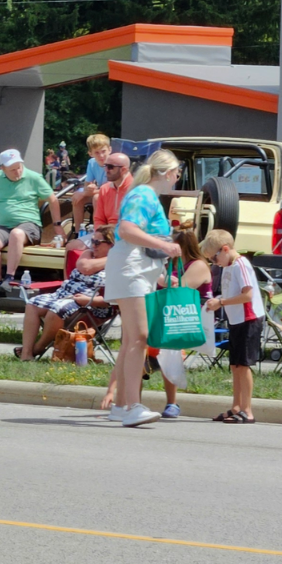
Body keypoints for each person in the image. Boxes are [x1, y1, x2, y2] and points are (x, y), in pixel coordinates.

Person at [107, 148, 183, 427]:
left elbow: (139, 241)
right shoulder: (143, 195)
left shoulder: (145, 195)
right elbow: (127, 230)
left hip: (136, 269)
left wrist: (162, 276)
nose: (177, 177)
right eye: (177, 172)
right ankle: (131, 406)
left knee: (131, 339)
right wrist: (165, 245)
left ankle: (120, 406)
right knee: (139, 337)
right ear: (165, 172)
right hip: (131, 268)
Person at [144, 226, 212, 420]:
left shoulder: (197, 265)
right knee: (140, 339)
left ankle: (171, 402)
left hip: (193, 317)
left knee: (170, 347)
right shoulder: (171, 265)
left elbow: (179, 289)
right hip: (172, 316)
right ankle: (137, 391)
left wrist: (161, 277)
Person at [17, 230, 110, 360]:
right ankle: (26, 353)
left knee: (55, 310)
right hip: (63, 295)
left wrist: (88, 300)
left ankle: (37, 349)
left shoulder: (117, 266)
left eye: (97, 242)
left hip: (89, 305)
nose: (93, 245)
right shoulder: (89, 255)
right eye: (92, 241)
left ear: (112, 245)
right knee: (32, 304)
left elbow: (114, 299)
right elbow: (85, 267)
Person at [0, 148, 60, 295]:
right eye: (12, 170)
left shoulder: (34, 178)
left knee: (16, 234)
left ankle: (9, 278)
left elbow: (53, 200)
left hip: (30, 226)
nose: (17, 172)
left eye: (19, 167)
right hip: (3, 226)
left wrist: (57, 226)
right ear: (2, 169)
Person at [205, 230, 266, 419]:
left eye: (214, 259)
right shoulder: (228, 266)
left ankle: (247, 410)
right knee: (235, 365)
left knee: (243, 365)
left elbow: (247, 294)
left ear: (225, 249)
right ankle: (236, 406)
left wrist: (221, 303)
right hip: (236, 320)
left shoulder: (241, 264)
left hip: (249, 319)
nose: (215, 264)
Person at [71, 144, 132, 252]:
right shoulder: (104, 189)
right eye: (106, 166)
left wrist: (109, 238)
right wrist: (100, 236)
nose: (106, 170)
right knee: (72, 247)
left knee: (89, 262)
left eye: (110, 167)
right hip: (106, 234)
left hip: (126, 237)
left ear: (123, 170)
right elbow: (99, 219)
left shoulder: (136, 190)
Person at [70, 132, 111, 228]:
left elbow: (111, 188)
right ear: (90, 154)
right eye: (97, 152)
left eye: (103, 151)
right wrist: (88, 188)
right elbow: (87, 184)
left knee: (96, 197)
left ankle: (97, 231)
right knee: (77, 198)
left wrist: (85, 193)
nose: (101, 155)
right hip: (100, 191)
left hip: (113, 193)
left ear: (110, 150)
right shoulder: (92, 163)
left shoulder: (113, 164)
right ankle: (78, 232)